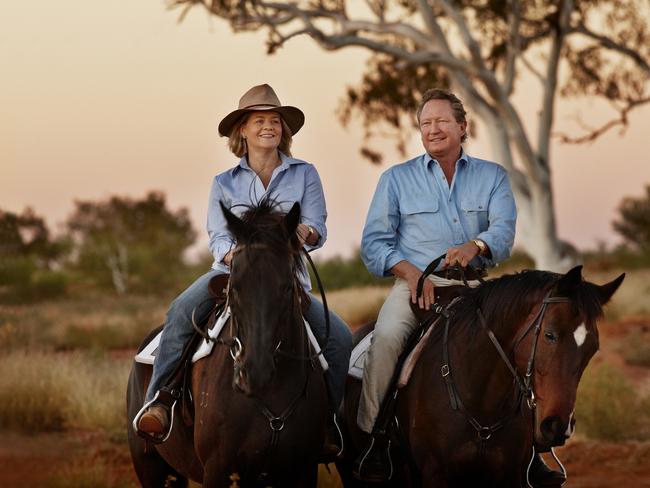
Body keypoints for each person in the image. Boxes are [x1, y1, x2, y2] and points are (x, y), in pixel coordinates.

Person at [353, 88, 563, 486]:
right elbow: (375, 244)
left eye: (441, 122)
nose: (433, 130)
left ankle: (532, 450)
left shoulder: (492, 176)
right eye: (425, 124)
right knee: (385, 341)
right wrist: (412, 274)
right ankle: (372, 441)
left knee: (517, 350)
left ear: (462, 127)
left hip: (475, 290)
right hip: (416, 287)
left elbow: (502, 230)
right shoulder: (396, 180)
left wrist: (476, 245)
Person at [136, 84, 352, 458]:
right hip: (233, 275)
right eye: (259, 121)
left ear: (284, 130)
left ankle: (327, 420)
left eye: (275, 121)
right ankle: (162, 399)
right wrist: (233, 254)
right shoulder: (224, 183)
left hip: (286, 280)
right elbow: (217, 235)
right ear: (243, 131)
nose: (269, 127)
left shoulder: (306, 174)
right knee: (180, 312)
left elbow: (318, 226)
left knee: (340, 339)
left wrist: (307, 231)